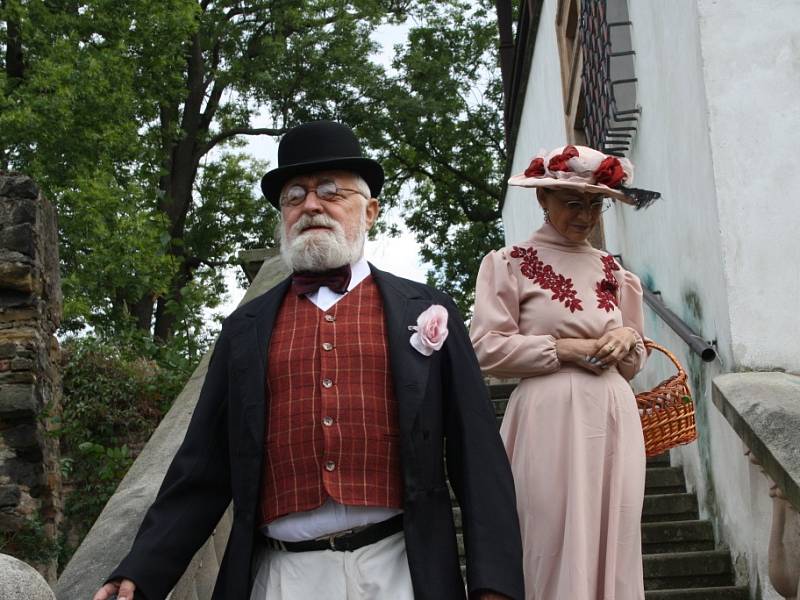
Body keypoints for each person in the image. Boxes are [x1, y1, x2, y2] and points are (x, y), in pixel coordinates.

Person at [94, 121, 523, 600]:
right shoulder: (244, 328)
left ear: (371, 211)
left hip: (401, 570)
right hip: (278, 577)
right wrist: (140, 571)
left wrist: (494, 585)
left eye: (329, 191)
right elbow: (201, 468)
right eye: (294, 196)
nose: (311, 206)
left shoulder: (426, 310)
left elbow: (477, 455)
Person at [469, 144, 660, 600]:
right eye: (574, 203)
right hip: (548, 418)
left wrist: (629, 340)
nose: (587, 215)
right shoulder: (509, 263)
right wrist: (565, 349)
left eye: (596, 204)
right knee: (549, 536)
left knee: (615, 533)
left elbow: (635, 361)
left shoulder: (616, 271)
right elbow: (486, 347)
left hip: (614, 414)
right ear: (543, 200)